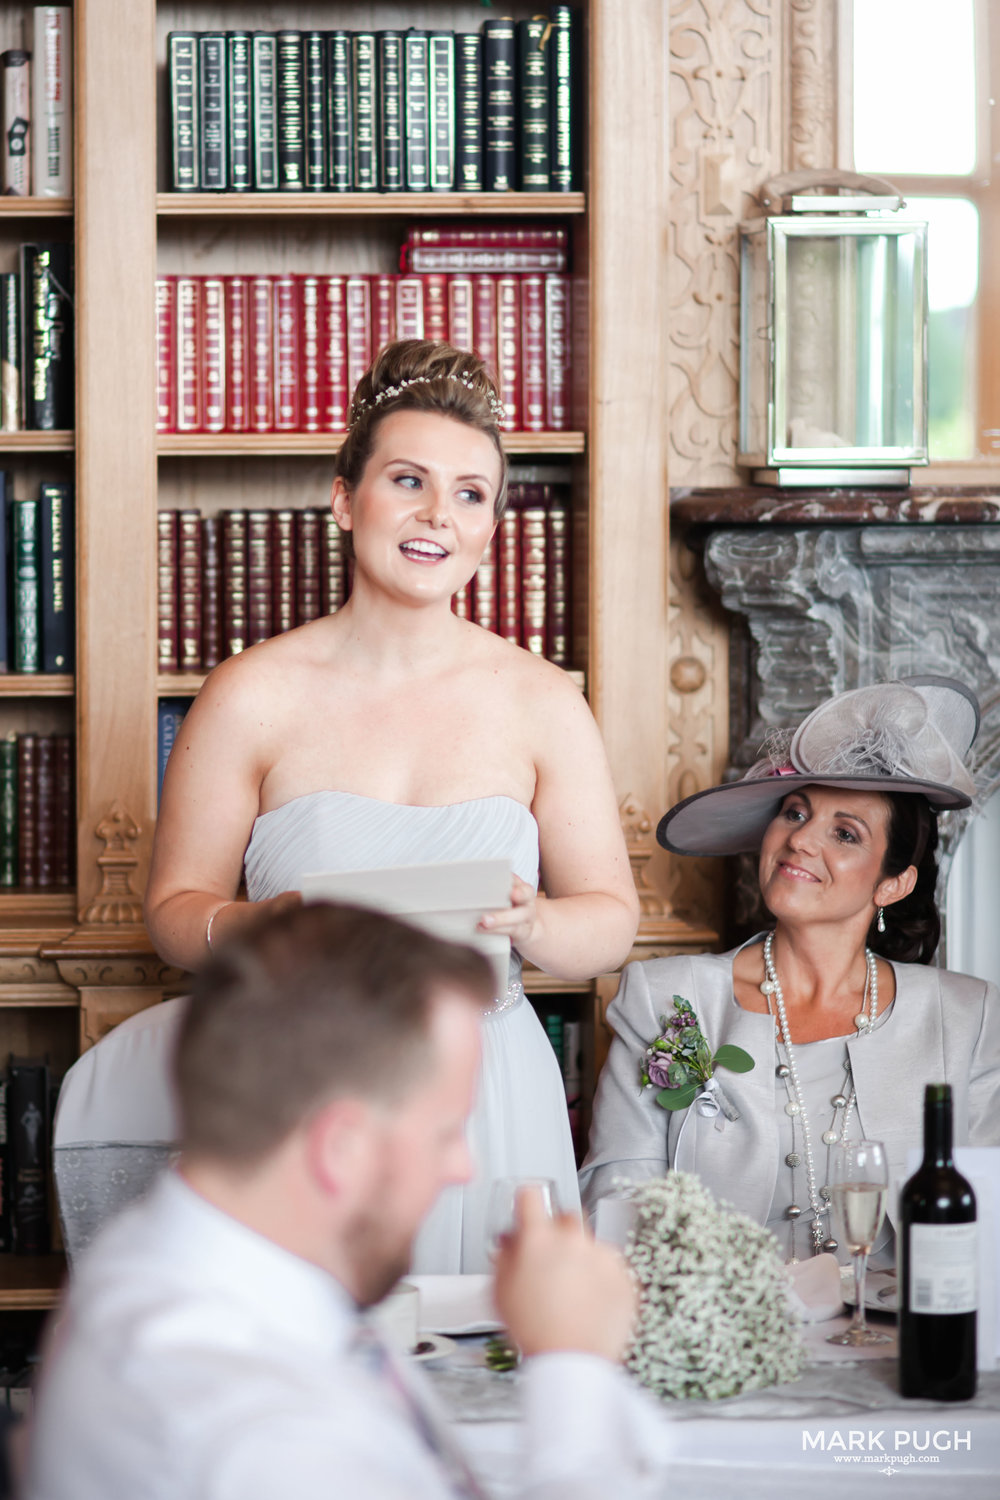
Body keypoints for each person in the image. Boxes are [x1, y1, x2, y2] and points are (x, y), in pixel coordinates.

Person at [142, 339, 639, 1271]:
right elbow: (172, 914)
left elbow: (611, 923)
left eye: (469, 494)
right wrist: (262, 923)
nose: (435, 516)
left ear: (492, 528)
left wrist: (534, 921)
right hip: (303, 1079)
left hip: (488, 1089)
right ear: (344, 498)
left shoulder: (544, 701)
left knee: (493, 1373)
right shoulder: (249, 694)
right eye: (407, 480)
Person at [26, 904, 668, 1500]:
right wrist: (571, 1368)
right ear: (340, 1147)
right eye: (447, 1132)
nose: (463, 1167)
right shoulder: (261, 1427)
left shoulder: (169, 1249)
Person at [580, 677, 1000, 1267]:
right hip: (717, 1327)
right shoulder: (665, 997)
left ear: (894, 882)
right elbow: (614, 1195)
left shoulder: (969, 1017)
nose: (800, 838)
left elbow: (984, 1217)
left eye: (845, 833)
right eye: (794, 812)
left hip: (894, 1331)